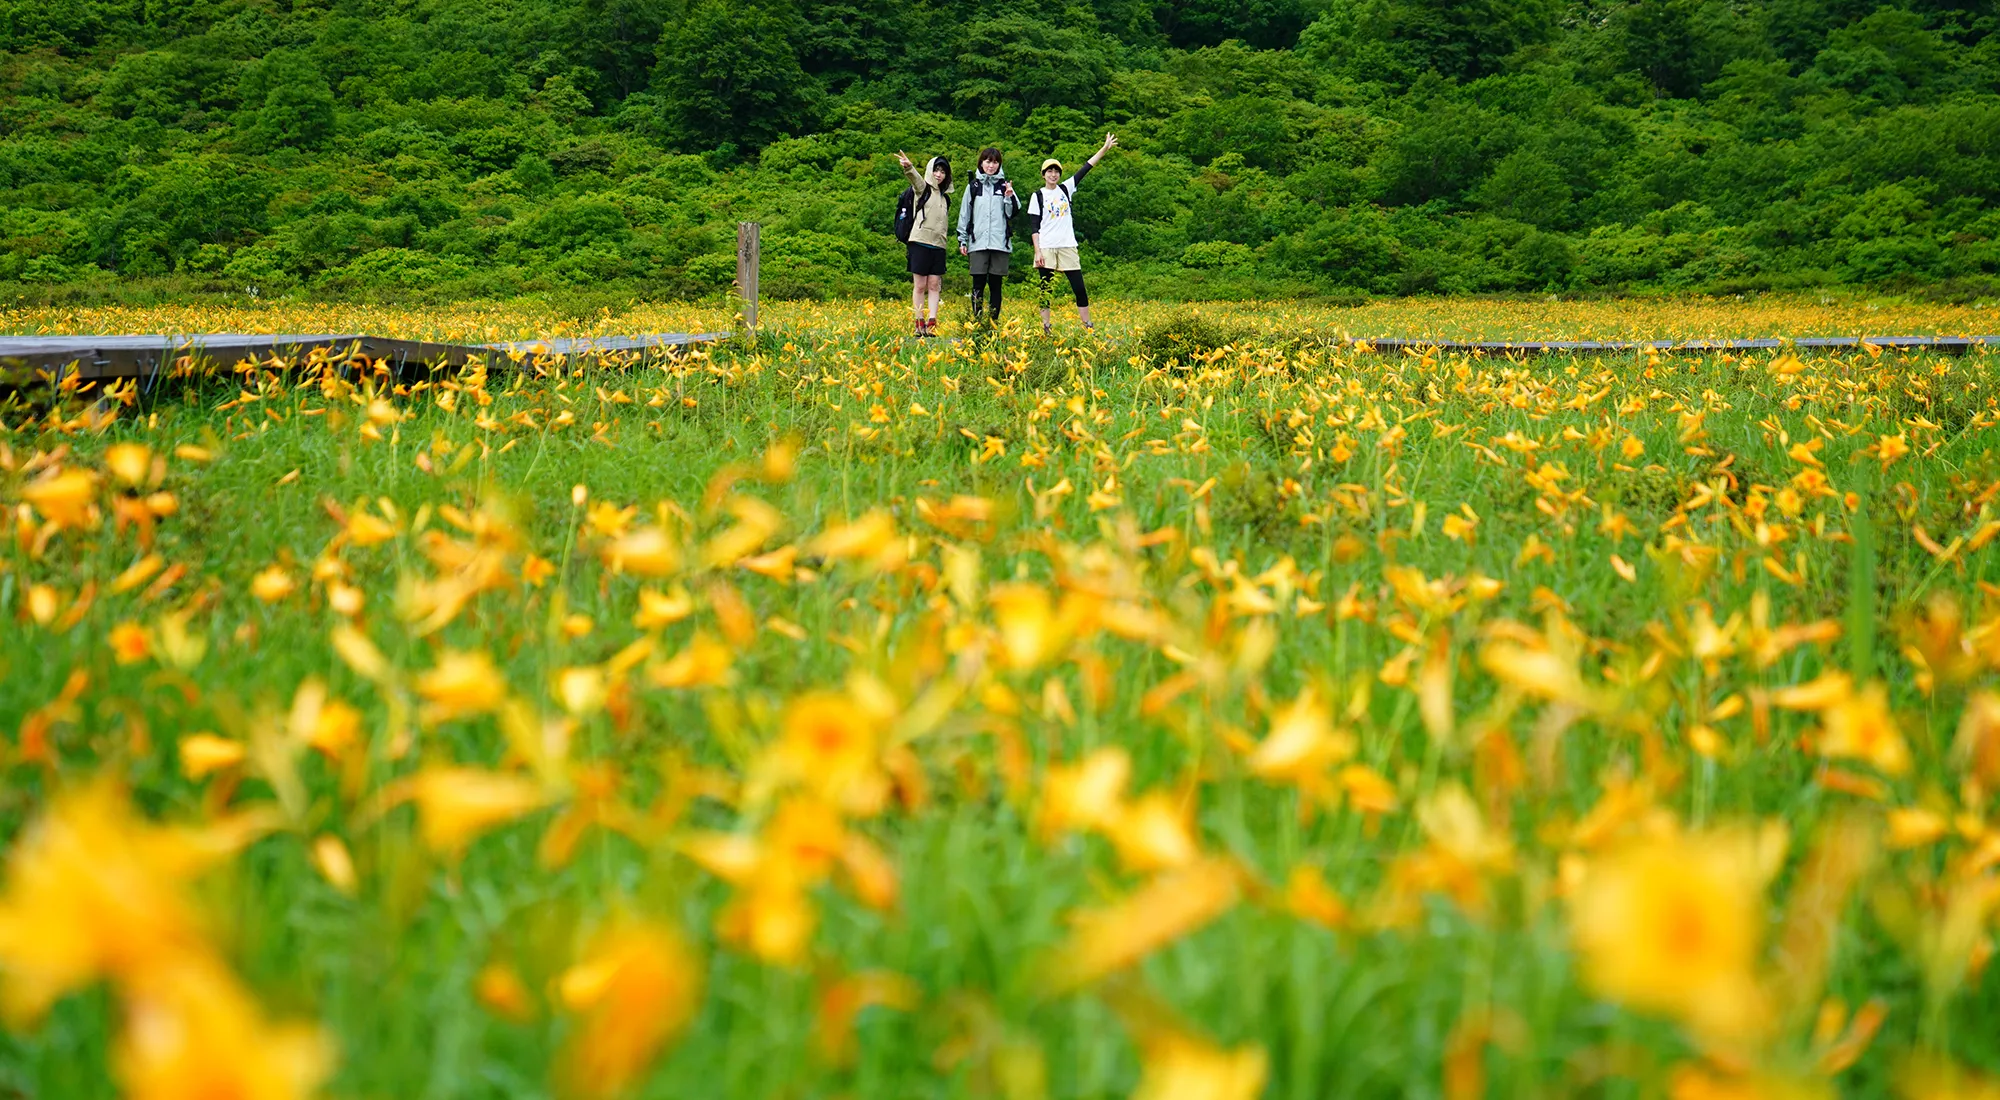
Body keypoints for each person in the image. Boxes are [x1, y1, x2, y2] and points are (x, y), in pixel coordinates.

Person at [1027, 133, 1117, 335]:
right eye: (1049, 171)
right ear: (1043, 174)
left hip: (1067, 244)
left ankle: (1087, 326)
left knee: (1079, 287)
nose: (1053, 175)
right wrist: (1037, 252)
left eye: (1056, 171)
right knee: (1046, 289)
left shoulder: (1066, 188)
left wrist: (1104, 148)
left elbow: (1087, 167)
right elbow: (1034, 227)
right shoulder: (1038, 196)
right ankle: (1046, 327)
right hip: (1047, 246)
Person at [956, 147, 1018, 325]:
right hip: (978, 243)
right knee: (978, 285)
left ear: (999, 165)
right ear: (981, 163)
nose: (991, 165)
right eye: (988, 161)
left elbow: (1012, 212)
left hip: (1000, 243)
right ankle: (977, 322)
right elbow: (964, 214)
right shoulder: (973, 186)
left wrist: (1008, 196)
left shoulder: (1005, 185)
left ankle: (992, 324)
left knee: (996, 285)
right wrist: (962, 239)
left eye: (995, 162)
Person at [895, 151, 951, 338]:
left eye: (942, 171)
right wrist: (909, 167)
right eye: (936, 170)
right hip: (919, 241)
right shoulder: (923, 190)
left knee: (935, 284)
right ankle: (918, 322)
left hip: (939, 245)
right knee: (920, 285)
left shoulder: (946, 198)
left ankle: (932, 323)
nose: (939, 174)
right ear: (930, 171)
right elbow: (915, 180)